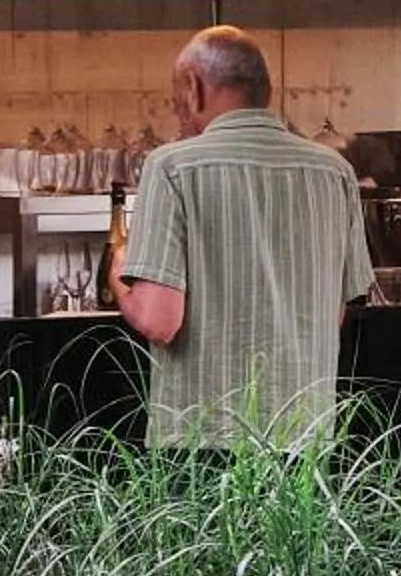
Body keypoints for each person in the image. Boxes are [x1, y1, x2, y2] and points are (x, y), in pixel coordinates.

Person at [117, 26, 372, 446]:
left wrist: (119, 271)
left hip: (201, 439)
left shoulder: (171, 167)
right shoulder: (334, 172)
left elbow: (159, 321)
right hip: (305, 434)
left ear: (193, 87)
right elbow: (335, 313)